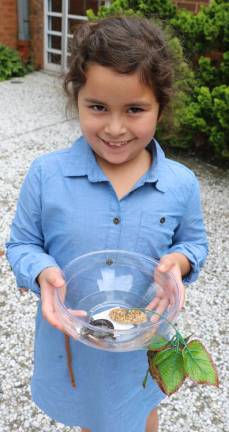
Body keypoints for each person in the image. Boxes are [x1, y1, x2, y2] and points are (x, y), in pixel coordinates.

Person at [6, 16, 208, 432]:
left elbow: (194, 243)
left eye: (134, 110)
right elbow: (22, 244)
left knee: (140, 404)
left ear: (160, 107)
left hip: (145, 338)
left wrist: (179, 263)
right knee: (93, 414)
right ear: (76, 100)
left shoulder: (180, 183)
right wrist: (43, 272)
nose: (115, 128)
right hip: (76, 336)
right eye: (98, 108)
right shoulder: (47, 175)